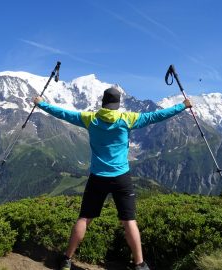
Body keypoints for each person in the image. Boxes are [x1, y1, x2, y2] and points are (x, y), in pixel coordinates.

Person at [33, 87, 192, 270]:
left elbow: (63, 114)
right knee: (129, 221)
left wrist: (41, 104)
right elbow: (156, 116)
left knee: (84, 218)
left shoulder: (90, 118)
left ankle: (67, 259)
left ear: (103, 102)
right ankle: (140, 264)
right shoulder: (127, 119)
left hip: (98, 177)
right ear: (118, 104)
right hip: (121, 177)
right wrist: (182, 106)